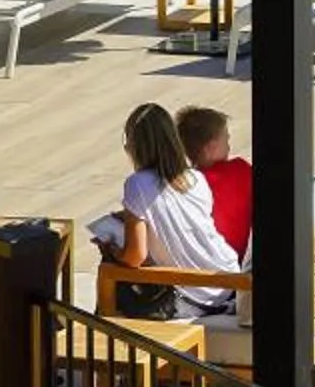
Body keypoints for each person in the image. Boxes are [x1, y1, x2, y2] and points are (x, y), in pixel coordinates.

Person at [96, 103, 244, 316]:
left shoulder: (137, 184)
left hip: (195, 295)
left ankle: (104, 338)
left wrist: (111, 249)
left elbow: (134, 257)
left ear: (136, 147)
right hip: (227, 280)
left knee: (109, 267)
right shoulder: (196, 179)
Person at [177, 105, 253, 258]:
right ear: (211, 148)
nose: (229, 146)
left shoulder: (182, 184)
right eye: (226, 139)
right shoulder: (240, 170)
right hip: (237, 263)